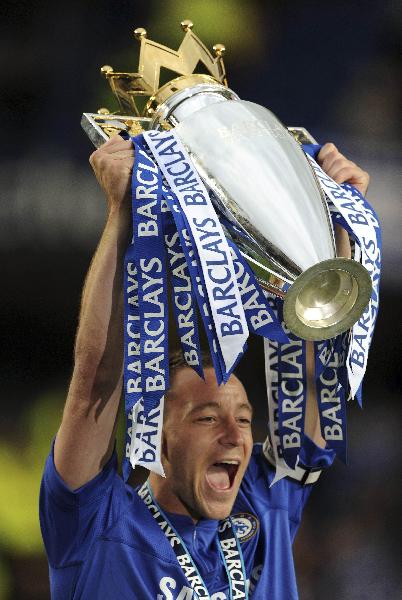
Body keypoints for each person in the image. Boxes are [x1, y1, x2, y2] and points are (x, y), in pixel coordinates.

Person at [39, 135, 370, 599]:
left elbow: (317, 381)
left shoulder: (263, 507)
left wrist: (334, 226)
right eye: (208, 417)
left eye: (244, 418)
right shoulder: (98, 526)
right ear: (155, 435)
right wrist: (122, 214)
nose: (237, 437)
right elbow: (95, 379)